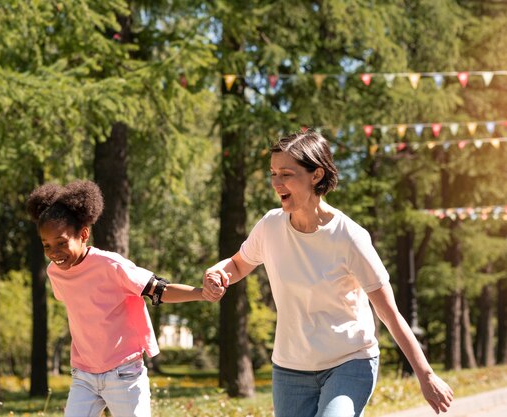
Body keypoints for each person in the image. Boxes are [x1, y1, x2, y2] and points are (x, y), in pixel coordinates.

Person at [202, 131, 454, 417]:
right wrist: (217, 271)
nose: (276, 183)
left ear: (316, 174)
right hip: (291, 368)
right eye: (273, 173)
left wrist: (426, 374)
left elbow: (389, 313)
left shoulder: (349, 237)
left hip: (349, 361)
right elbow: (237, 264)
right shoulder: (270, 226)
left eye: (286, 174)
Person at [26, 179, 206, 417]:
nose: (54, 253)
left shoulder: (111, 265)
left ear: (83, 234)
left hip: (124, 374)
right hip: (84, 375)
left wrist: (201, 293)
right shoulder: (54, 272)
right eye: (46, 245)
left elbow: (158, 289)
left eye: (61, 242)